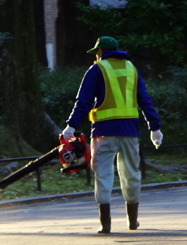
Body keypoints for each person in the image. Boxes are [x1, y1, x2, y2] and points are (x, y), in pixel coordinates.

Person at [62, 36, 162, 234]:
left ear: (101, 52)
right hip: (130, 132)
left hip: (103, 133)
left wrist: (71, 127)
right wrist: (155, 128)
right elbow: (144, 100)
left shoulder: (97, 69)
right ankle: (133, 221)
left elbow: (84, 101)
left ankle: (105, 224)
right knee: (131, 174)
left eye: (97, 52)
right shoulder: (131, 69)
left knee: (103, 175)